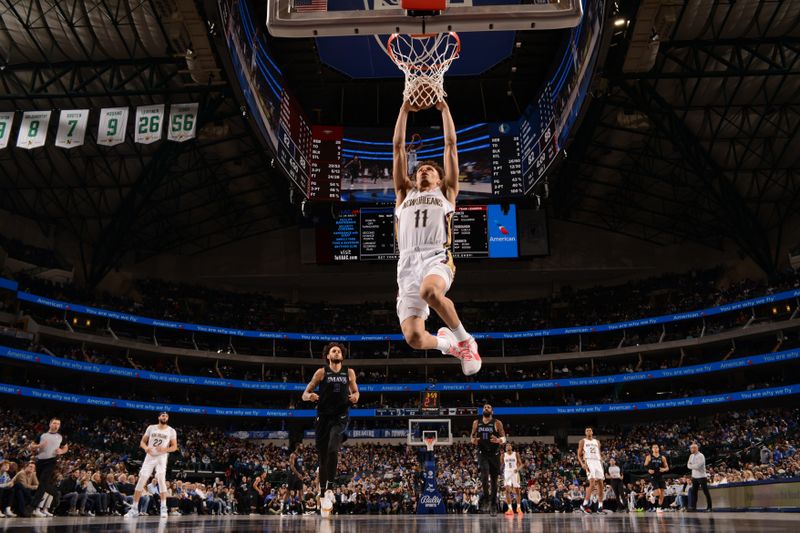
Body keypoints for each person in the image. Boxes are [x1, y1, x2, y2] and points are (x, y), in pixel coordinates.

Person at [391, 99, 481, 376]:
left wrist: (445, 110)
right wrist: (404, 109)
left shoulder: (446, 193)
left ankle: (466, 342)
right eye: (419, 170)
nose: (423, 170)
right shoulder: (404, 195)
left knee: (430, 292)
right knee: (414, 338)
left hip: (435, 255)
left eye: (429, 170)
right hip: (406, 263)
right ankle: (448, 345)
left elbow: (450, 146)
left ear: (441, 180)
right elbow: (397, 149)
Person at [301, 342, 359, 499]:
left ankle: (330, 488)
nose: (337, 353)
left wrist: (355, 397)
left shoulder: (349, 372)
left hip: (340, 416)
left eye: (339, 351)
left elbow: (356, 392)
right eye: (334, 351)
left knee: (333, 448)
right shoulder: (321, 372)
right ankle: (322, 490)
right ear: (328, 356)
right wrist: (310, 396)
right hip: (323, 417)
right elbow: (304, 394)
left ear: (342, 355)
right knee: (323, 456)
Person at [125, 412, 178, 519]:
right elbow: (142, 442)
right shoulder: (151, 428)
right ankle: (134, 509)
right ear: (159, 417)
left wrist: (165, 449)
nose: (164, 417)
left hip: (162, 457)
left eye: (166, 416)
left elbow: (174, 447)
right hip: (150, 457)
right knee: (141, 481)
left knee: (161, 480)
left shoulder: (171, 430)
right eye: (163, 415)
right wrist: (145, 448)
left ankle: (163, 508)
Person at [471, 403, 506, 516]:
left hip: (494, 454)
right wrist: (473, 440)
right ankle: (486, 499)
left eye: (489, 407)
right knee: (485, 476)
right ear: (482, 411)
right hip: (482, 453)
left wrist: (499, 440)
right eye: (484, 407)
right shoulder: (476, 422)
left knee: (494, 481)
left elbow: (504, 438)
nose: (486, 408)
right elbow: (472, 437)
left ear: (492, 411)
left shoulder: (497, 422)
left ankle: (493, 505)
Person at [577, 427, 606, 514]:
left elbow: (599, 453)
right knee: (592, 483)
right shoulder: (582, 441)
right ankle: (584, 505)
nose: (588, 431)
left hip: (598, 462)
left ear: (592, 432)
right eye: (587, 430)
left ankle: (600, 507)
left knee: (601, 484)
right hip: (589, 461)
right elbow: (578, 455)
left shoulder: (597, 442)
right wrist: (582, 464)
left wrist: (601, 464)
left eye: (590, 430)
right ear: (585, 433)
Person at [687, 442, 712, 512]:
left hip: (701, 476)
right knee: (694, 493)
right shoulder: (691, 456)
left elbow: (698, 466)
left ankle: (709, 507)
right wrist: (692, 465)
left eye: (692, 448)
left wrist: (692, 465)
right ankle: (694, 507)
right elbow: (688, 466)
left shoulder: (701, 456)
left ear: (696, 448)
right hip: (694, 477)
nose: (691, 449)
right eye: (690, 448)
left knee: (706, 492)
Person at [644, 444, 669, 514]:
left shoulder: (663, 457)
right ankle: (651, 494)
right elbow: (645, 466)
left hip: (660, 476)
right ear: (652, 449)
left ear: (658, 449)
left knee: (662, 493)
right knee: (658, 492)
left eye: (656, 447)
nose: (655, 448)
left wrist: (664, 469)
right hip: (652, 476)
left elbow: (667, 468)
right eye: (654, 447)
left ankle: (658, 508)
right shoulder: (649, 457)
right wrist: (648, 470)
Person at [502, 442, 523, 515]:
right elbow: (501, 464)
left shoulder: (516, 454)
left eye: (509, 445)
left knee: (517, 490)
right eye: (506, 446)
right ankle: (510, 509)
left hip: (515, 472)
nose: (507, 447)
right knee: (507, 490)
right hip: (507, 472)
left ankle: (518, 507)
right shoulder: (503, 455)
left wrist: (518, 469)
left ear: (511, 447)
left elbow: (521, 464)